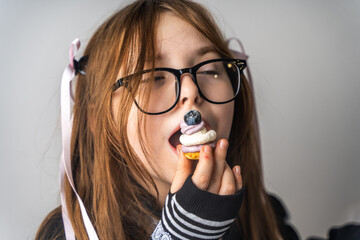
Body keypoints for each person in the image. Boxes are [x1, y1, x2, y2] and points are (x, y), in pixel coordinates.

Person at [36, 0, 299, 239]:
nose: (191, 91)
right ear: (96, 119)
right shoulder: (69, 233)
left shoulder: (260, 215)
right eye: (153, 76)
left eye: (209, 70)